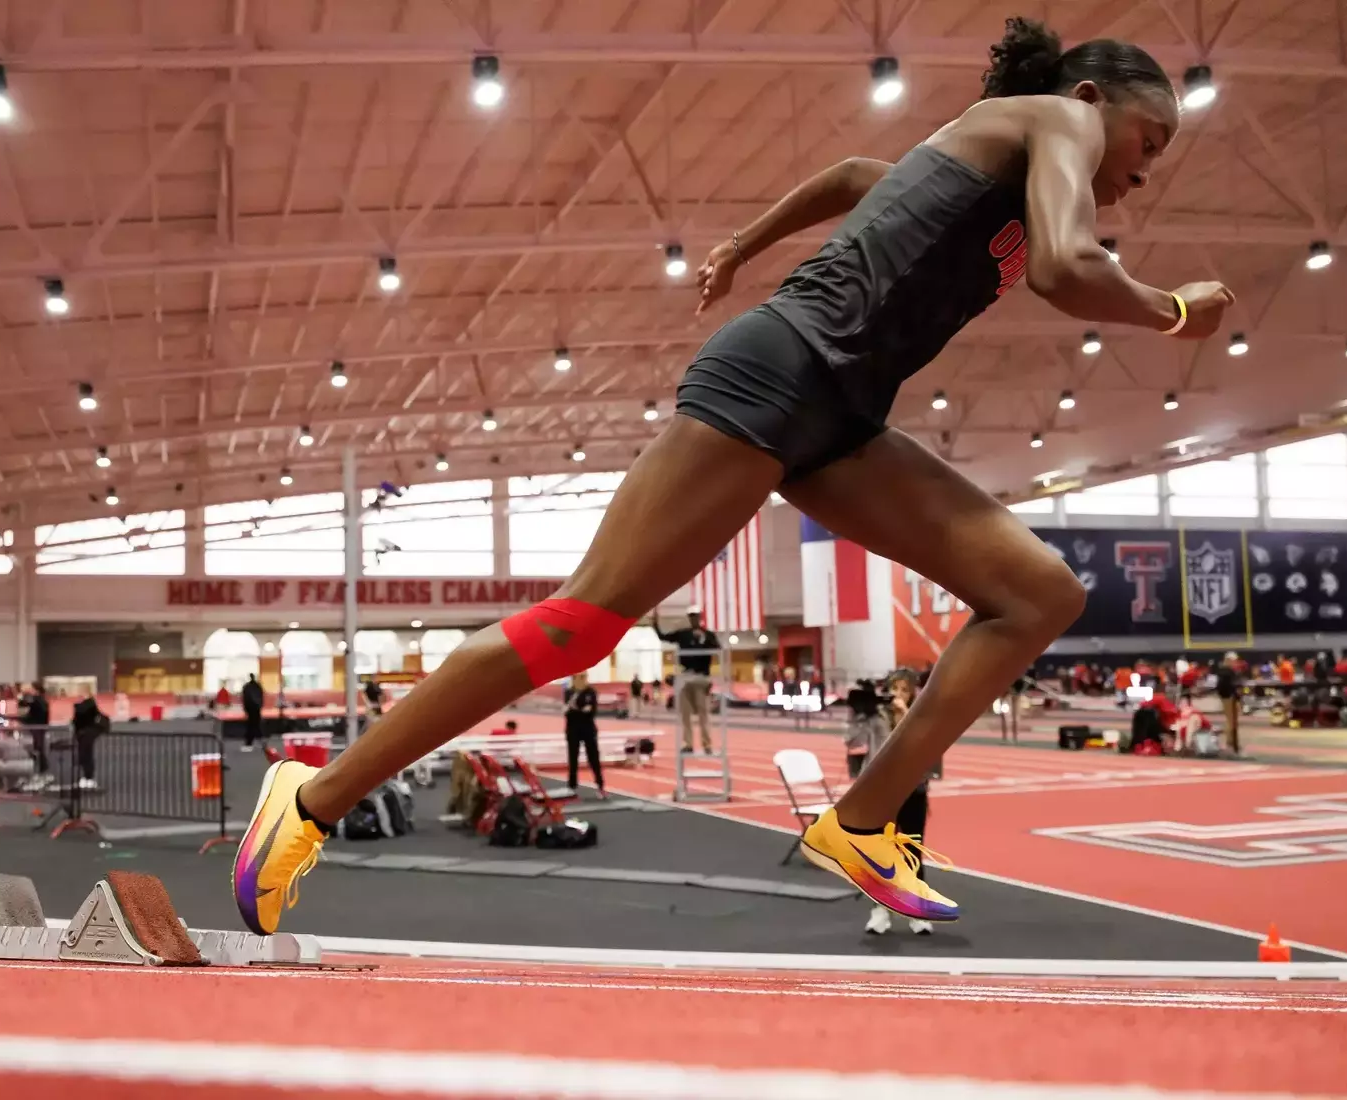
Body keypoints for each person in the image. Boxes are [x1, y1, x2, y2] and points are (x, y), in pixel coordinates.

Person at [231, 16, 1232, 937]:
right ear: (1093, 99)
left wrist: (744, 242)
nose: (1144, 173)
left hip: (843, 416)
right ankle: (308, 802)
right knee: (583, 624)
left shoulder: (991, 158)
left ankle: (863, 819)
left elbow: (856, 175)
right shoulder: (1060, 120)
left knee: (1038, 593)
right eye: (1150, 142)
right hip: (777, 372)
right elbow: (1065, 266)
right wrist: (1176, 310)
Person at [866, 673, 943, 936]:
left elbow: (925, 745)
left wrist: (906, 715)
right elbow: (858, 744)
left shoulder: (920, 717)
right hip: (883, 792)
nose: (899, 694)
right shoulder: (877, 717)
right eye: (894, 689)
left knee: (912, 852)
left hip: (913, 790)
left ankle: (916, 911)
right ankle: (880, 911)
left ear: (912, 694)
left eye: (904, 690)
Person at [652, 606, 720, 753]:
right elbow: (663, 637)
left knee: (703, 713)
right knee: (685, 713)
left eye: (696, 616)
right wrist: (655, 624)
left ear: (700, 617)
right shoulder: (683, 634)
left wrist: (702, 639)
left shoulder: (708, 635)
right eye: (691, 616)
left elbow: (718, 648)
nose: (694, 619)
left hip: (701, 676)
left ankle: (707, 744)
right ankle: (688, 744)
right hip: (685, 676)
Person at [563, 673, 605, 798]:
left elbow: (591, 711)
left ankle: (600, 785)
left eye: (584, 677)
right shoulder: (569, 692)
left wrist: (577, 709)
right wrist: (580, 710)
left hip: (588, 729)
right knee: (572, 758)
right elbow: (567, 712)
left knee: (593, 757)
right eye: (580, 677)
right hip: (572, 729)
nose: (583, 679)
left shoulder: (591, 692)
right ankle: (572, 786)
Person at [241, 673, 265, 752]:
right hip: (256, 709)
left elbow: (245, 699)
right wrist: (260, 706)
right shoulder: (258, 686)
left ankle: (249, 743)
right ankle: (261, 742)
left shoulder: (247, 687)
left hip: (250, 709)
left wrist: (245, 709)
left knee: (250, 726)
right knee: (257, 725)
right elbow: (261, 697)